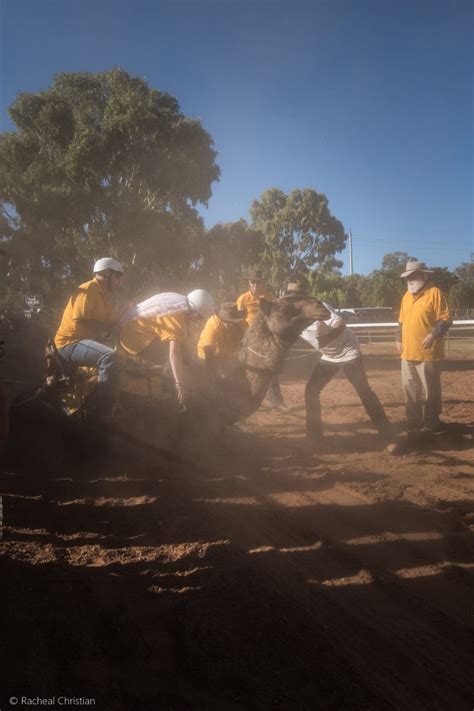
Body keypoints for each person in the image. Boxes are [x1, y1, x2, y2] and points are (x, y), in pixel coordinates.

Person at [296, 287, 393, 450]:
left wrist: (327, 338)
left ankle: (388, 436)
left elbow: (340, 323)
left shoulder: (318, 306)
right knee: (311, 391)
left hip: (348, 351)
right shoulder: (293, 318)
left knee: (364, 391)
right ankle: (314, 437)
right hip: (329, 356)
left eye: (296, 297)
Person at [119, 289, 216, 409]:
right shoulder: (176, 318)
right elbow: (174, 354)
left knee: (180, 354)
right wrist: (179, 383)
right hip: (133, 343)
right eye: (199, 318)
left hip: (130, 332)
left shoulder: (178, 302)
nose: (198, 321)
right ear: (195, 312)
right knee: (170, 365)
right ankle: (166, 391)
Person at [54, 257, 124, 421]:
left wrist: (130, 312)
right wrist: (106, 329)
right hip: (69, 343)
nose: (119, 282)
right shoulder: (90, 287)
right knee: (109, 356)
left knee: (120, 356)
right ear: (107, 274)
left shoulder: (105, 297)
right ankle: (104, 411)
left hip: (83, 342)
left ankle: (95, 401)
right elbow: (80, 319)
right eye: (118, 277)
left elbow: (112, 321)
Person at [397, 260, 451, 432]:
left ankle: (431, 423)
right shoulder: (406, 296)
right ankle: (413, 421)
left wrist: (432, 335)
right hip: (407, 353)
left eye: (413, 276)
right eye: (407, 277)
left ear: (424, 275)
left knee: (431, 391)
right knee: (410, 390)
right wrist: (398, 339)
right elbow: (401, 322)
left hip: (429, 353)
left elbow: (445, 319)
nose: (409, 280)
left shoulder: (435, 293)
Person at [236, 268, 286, 408]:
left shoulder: (269, 297)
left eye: (258, 282)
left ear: (262, 282)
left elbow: (274, 316)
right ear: (249, 283)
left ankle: (276, 400)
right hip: (249, 339)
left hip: (266, 339)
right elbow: (238, 320)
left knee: (271, 366)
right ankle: (244, 399)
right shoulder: (242, 299)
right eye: (253, 282)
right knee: (246, 369)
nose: (256, 285)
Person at [197, 302, 247, 378]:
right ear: (222, 319)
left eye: (234, 322)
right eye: (228, 322)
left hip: (228, 355)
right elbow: (209, 354)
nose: (232, 325)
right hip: (208, 355)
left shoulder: (242, 323)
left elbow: (251, 340)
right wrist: (213, 377)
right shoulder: (213, 325)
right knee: (222, 376)